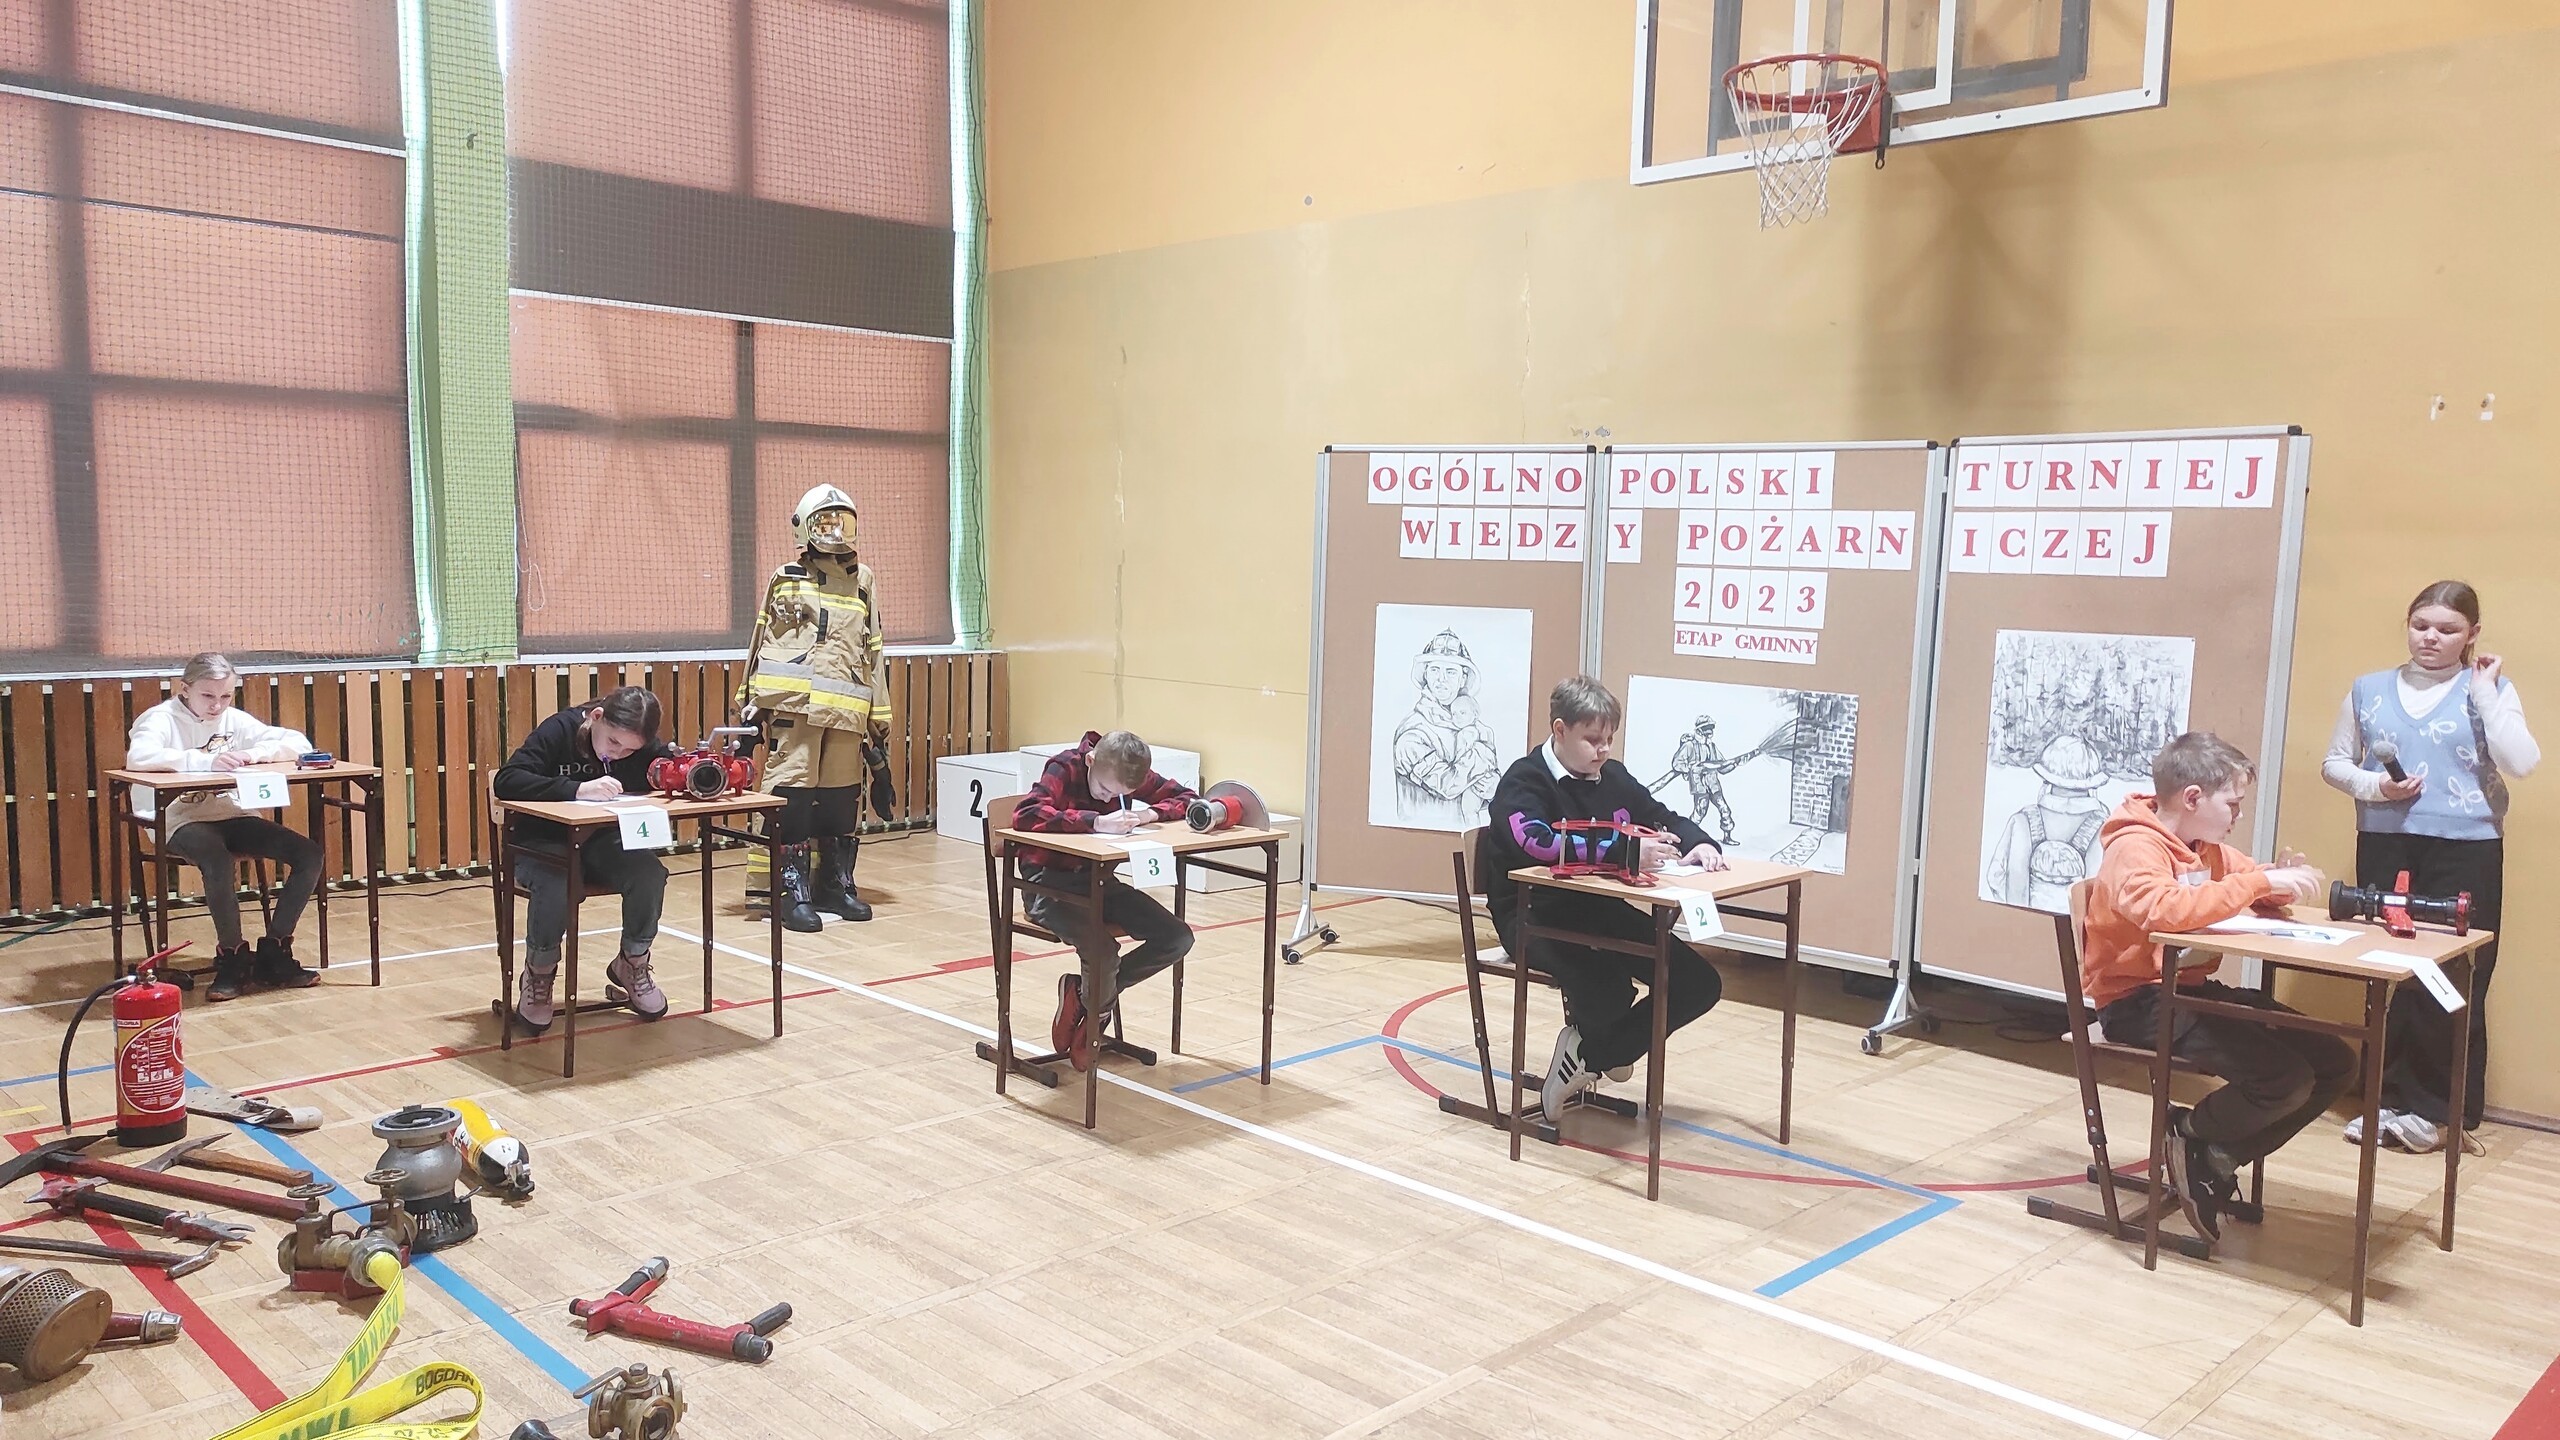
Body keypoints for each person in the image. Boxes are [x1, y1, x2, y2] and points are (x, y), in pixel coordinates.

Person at [2082, 732, 2348, 1240]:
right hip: (2138, 1003)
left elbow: (2246, 881)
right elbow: (2165, 910)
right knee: (2286, 1078)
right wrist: (2256, 885)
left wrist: (2276, 884)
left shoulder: (2203, 848)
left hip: (2188, 991)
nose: (2238, 815)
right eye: (2233, 803)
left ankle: (2209, 1152)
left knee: (2335, 1061)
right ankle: (2192, 1139)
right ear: (2193, 798)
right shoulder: (2134, 848)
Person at [2321, 580, 2536, 1154]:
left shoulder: (2490, 689)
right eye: (2421, 626)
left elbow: (2522, 761)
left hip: (2466, 848)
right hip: (2386, 843)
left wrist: (2485, 693)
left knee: (2455, 973)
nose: (2431, 638)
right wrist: (2377, 787)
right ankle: (2385, 1100)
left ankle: (2441, 1110)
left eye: (2447, 629)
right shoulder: (2368, 688)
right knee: (2389, 965)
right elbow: (2335, 763)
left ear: (2472, 634)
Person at [1479, 676, 1729, 1124]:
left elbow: (1658, 815)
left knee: (1699, 983)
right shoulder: (1524, 780)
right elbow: (1537, 842)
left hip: (1598, 907)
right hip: (1533, 913)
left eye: (1609, 739)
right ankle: (1603, 1048)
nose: (1603, 750)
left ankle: (1591, 1054)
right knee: (1607, 990)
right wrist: (1626, 851)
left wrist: (1699, 842)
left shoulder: (1613, 776)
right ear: (1560, 730)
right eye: (1592, 740)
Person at [737, 483, 895, 932]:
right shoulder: (786, 577)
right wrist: (747, 709)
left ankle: (833, 885)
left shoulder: (864, 581)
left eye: (842, 522)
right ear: (804, 527)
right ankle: (787, 891)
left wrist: (879, 722)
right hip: (796, 710)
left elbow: (875, 649)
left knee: (840, 802)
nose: (834, 531)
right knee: (792, 799)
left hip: (847, 712)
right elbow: (760, 638)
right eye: (824, 522)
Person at [123, 653, 325, 1001]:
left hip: (232, 814)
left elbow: (297, 743)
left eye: (226, 696)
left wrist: (252, 755)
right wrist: (205, 761)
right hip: (178, 818)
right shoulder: (159, 719)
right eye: (207, 696)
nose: (217, 705)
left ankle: (274, 951)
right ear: (185, 689)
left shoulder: (235, 719)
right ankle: (232, 956)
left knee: (309, 854)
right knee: (217, 858)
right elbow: (139, 757)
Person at [493, 686, 678, 1032]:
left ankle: (632, 961)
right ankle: (539, 972)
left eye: (629, 750)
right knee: (557, 882)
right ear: (596, 718)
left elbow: (666, 772)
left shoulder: (642, 746)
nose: (619, 754)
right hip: (540, 843)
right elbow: (507, 780)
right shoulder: (560, 729)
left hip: (602, 842)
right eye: (613, 742)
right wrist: (575, 789)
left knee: (648, 873)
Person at [1010, 730, 1198, 1070]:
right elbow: (1026, 814)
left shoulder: (1126, 770)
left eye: (1122, 795)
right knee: (1103, 951)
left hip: (1099, 881)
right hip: (1047, 885)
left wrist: (1149, 815)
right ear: (1091, 760)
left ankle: (1086, 995)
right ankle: (1097, 1019)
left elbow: (1187, 799)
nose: (1111, 797)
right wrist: (1095, 821)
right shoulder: (1064, 767)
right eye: (1105, 790)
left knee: (1177, 937)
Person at [1983, 734, 2109, 912]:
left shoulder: (2023, 821)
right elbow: (2094, 901)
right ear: (2092, 783)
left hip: (2026, 924)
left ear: (2046, 778)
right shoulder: (2102, 827)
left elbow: (2009, 888)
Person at [1390, 630, 1503, 828]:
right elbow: (1448, 785)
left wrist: (1494, 787)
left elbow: (1486, 793)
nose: (1441, 679)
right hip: (1422, 838)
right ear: (1425, 675)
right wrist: (1481, 754)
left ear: (1463, 679)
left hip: (1469, 840)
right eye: (1435, 670)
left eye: (1450, 671)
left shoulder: (1475, 726)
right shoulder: (1412, 734)